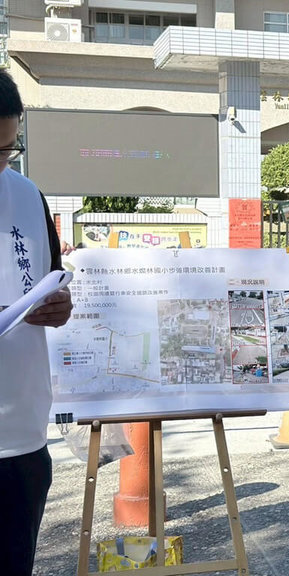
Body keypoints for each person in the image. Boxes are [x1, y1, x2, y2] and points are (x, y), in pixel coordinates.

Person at [0, 70, 74, 576]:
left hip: (22, 437)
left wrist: (59, 306)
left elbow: (51, 280)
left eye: (8, 148)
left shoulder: (28, 195)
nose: (0, 162)